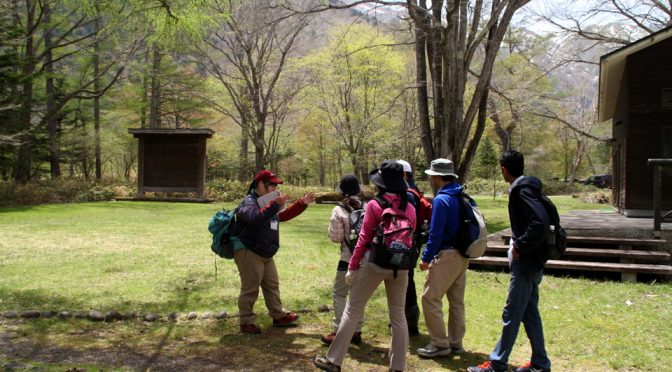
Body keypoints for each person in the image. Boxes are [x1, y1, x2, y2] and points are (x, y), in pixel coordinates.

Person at [314, 160, 416, 372]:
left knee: (352, 310)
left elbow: (362, 239)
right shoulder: (411, 207)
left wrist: (352, 267)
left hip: (373, 264)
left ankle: (333, 361)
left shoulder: (375, 205)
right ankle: (398, 366)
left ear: (381, 184)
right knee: (398, 316)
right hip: (401, 267)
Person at [468, 150, 552, 372]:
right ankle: (540, 364)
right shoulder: (530, 189)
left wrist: (520, 246)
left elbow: (540, 224)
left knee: (512, 312)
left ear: (504, 169)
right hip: (534, 261)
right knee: (529, 312)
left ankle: (496, 363)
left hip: (526, 262)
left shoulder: (522, 192)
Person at [232, 169, 316, 334]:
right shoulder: (248, 201)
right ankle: (246, 321)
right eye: (273, 185)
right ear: (262, 185)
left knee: (272, 285)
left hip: (265, 251)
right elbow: (255, 217)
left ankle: (278, 316)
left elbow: (281, 216)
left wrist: (301, 204)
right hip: (249, 250)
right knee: (250, 288)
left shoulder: (268, 202)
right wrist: (274, 204)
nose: (276, 188)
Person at [415, 158, 470, 358]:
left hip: (446, 254)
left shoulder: (441, 199)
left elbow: (435, 234)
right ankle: (455, 343)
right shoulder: (461, 194)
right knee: (456, 301)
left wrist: (426, 258)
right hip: (463, 254)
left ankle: (439, 344)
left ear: (437, 176)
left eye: (432, 176)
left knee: (429, 298)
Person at [321, 174, 364, 346]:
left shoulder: (339, 210)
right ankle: (356, 331)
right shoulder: (367, 206)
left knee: (339, 294)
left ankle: (339, 330)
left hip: (347, 258)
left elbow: (336, 238)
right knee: (358, 297)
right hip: (365, 259)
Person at [397, 159, 433, 337]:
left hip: (407, 242)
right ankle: (406, 322)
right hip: (415, 241)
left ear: (403, 174)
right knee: (406, 280)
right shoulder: (416, 191)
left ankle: (409, 324)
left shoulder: (407, 193)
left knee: (406, 281)